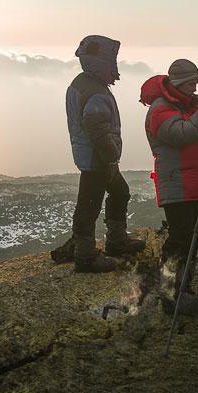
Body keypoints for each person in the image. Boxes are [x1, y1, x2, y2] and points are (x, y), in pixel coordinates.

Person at [140, 59, 198, 315]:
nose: (195, 85)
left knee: (192, 238)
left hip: (193, 183)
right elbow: (180, 136)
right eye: (191, 82)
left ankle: (182, 289)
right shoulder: (160, 109)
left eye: (197, 81)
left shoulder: (186, 107)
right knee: (180, 240)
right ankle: (170, 295)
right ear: (178, 83)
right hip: (176, 183)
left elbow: (197, 143)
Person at [55, 35, 146, 273]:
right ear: (102, 62)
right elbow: (96, 130)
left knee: (119, 192)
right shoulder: (96, 92)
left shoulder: (81, 82)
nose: (115, 65)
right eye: (112, 60)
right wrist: (111, 156)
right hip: (98, 158)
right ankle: (85, 256)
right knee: (89, 206)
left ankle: (115, 241)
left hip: (93, 156)